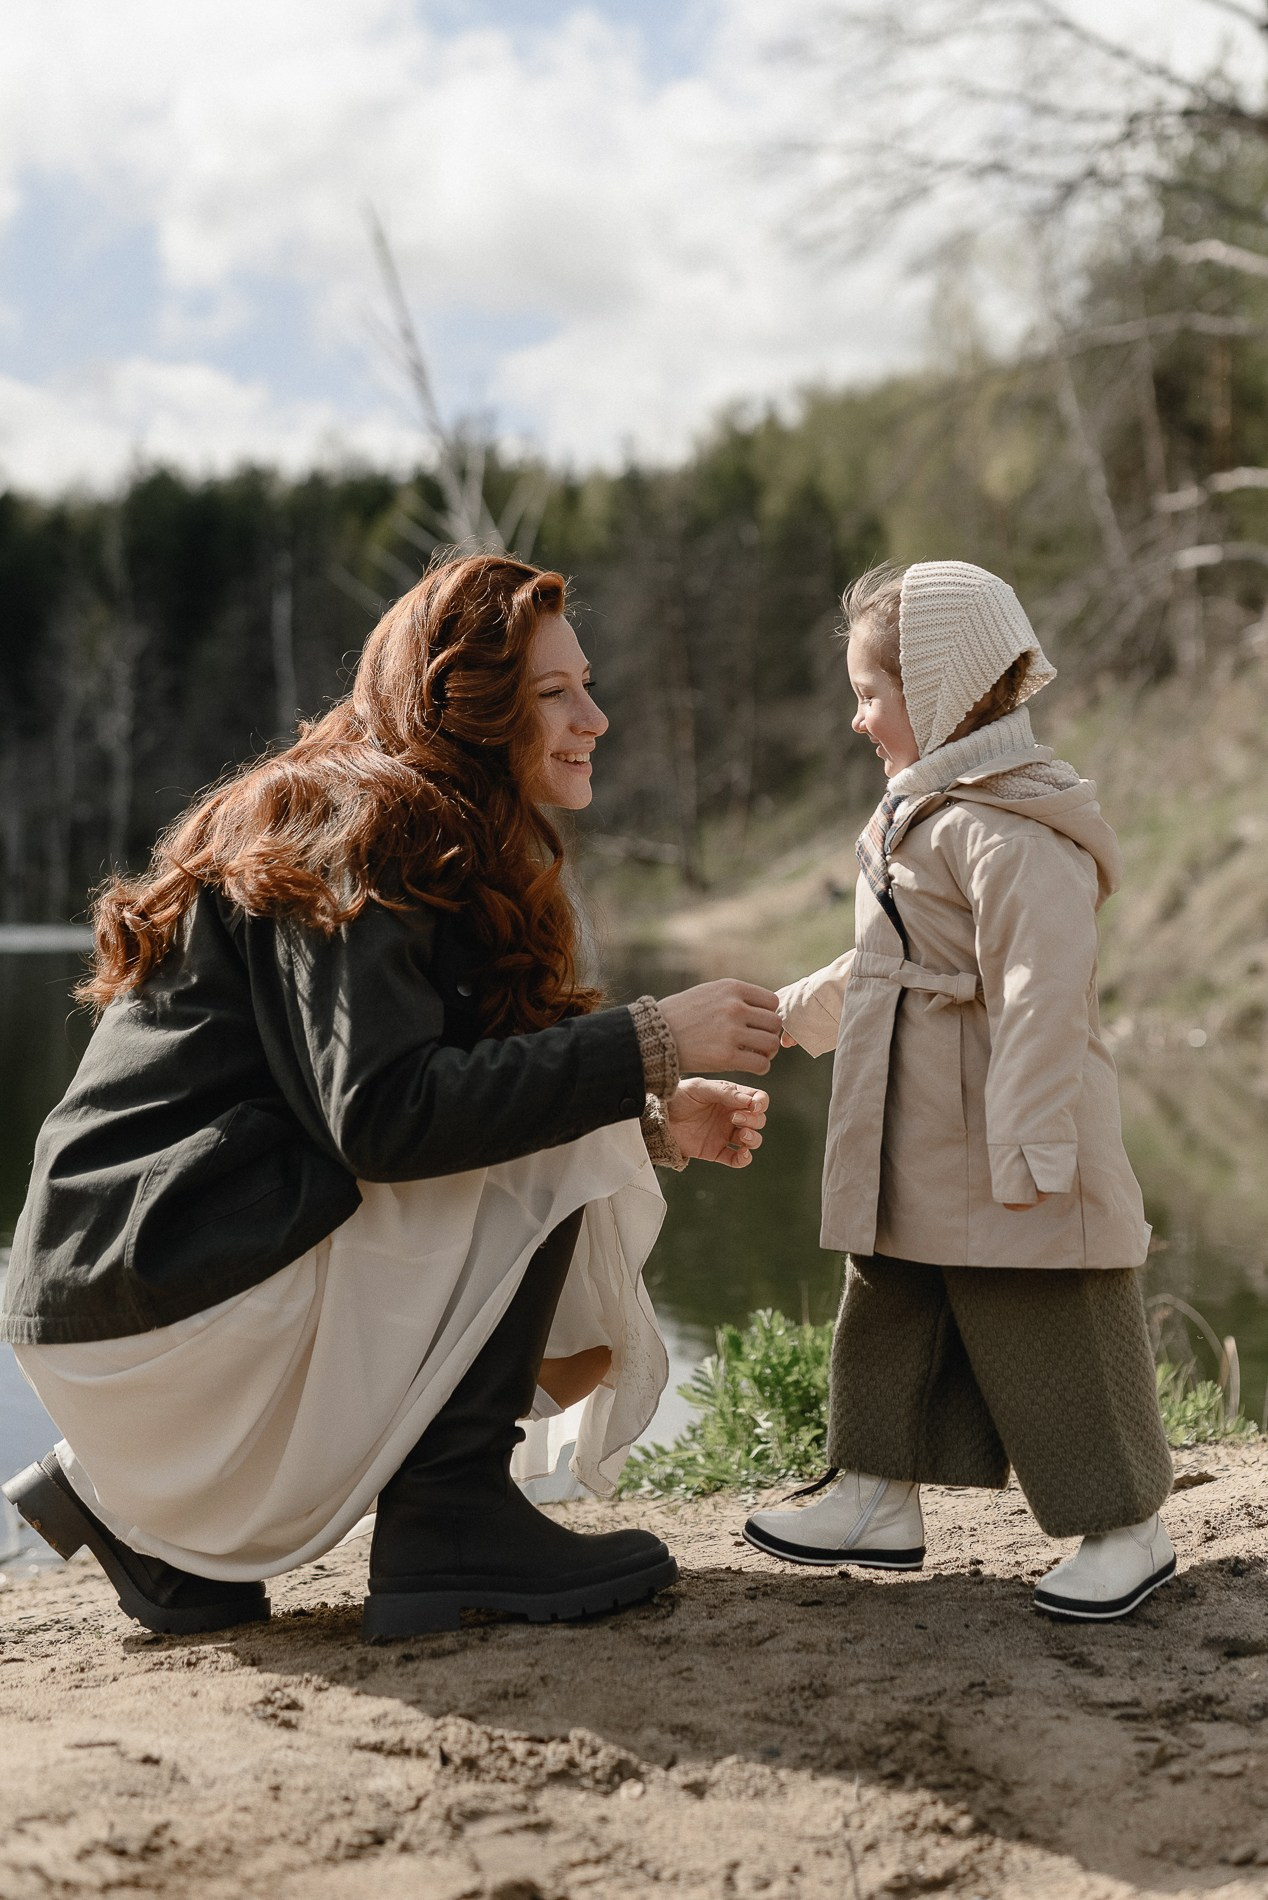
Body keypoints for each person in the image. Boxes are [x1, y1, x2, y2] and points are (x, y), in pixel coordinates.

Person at [2, 552, 779, 1642]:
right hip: (146, 1293)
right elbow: (387, 1117)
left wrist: (642, 1114)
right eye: (554, 693)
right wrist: (645, 1043)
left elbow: (414, 1103)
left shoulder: (409, 822)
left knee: (571, 1110)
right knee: (552, 1115)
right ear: (465, 706)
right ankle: (451, 1513)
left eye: (586, 684)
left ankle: (146, 1523)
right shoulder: (360, 822)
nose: (594, 716)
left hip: (136, 1285)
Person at [743, 560, 1175, 1623]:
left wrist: (1030, 1142)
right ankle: (873, 1495)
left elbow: (1041, 991)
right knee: (889, 1298)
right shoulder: (927, 813)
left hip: (1001, 1134)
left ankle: (1125, 1525)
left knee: (1052, 1315)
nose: (856, 718)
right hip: (917, 1137)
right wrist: (789, 1013)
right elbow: (887, 962)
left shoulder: (1012, 828)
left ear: (936, 690)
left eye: (869, 693)